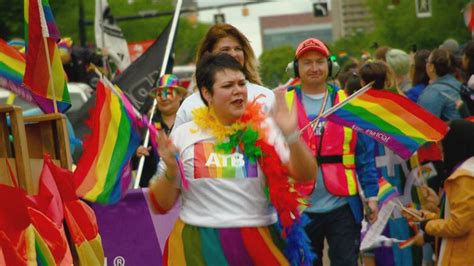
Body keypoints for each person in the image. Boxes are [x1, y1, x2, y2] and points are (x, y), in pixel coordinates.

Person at [149, 53, 317, 264]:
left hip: (258, 240)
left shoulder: (266, 129)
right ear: (207, 93)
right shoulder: (184, 134)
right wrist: (171, 171)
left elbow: (306, 175)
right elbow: (161, 204)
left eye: (241, 83)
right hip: (200, 244)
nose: (238, 90)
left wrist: (291, 135)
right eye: (228, 85)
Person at [286, 38, 379, 266]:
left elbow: (364, 155)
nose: (314, 68)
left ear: (330, 66)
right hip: (300, 207)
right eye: (307, 62)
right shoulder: (282, 104)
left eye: (319, 61)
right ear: (296, 68)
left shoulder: (347, 103)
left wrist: (372, 196)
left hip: (343, 206)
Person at [173, 23, 274, 129]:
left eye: (238, 49)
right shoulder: (190, 106)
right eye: (225, 50)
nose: (234, 54)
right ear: (208, 56)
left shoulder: (266, 97)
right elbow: (176, 143)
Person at [402, 120, 474, 266]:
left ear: (456, 145)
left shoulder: (463, 178)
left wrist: (426, 225)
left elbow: (459, 225)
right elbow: (454, 216)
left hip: (461, 257)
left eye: (443, 147)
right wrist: (423, 215)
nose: (441, 153)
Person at [133, 74, 186, 187]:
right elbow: (130, 163)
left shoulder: (190, 124)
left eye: (169, 93)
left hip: (185, 190)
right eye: (159, 93)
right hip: (152, 192)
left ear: (180, 96)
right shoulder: (145, 126)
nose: (163, 97)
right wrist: (136, 153)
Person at [417, 48, 465, 121]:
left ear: (431, 67)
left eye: (427, 61)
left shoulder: (433, 92)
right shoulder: (459, 85)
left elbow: (425, 125)